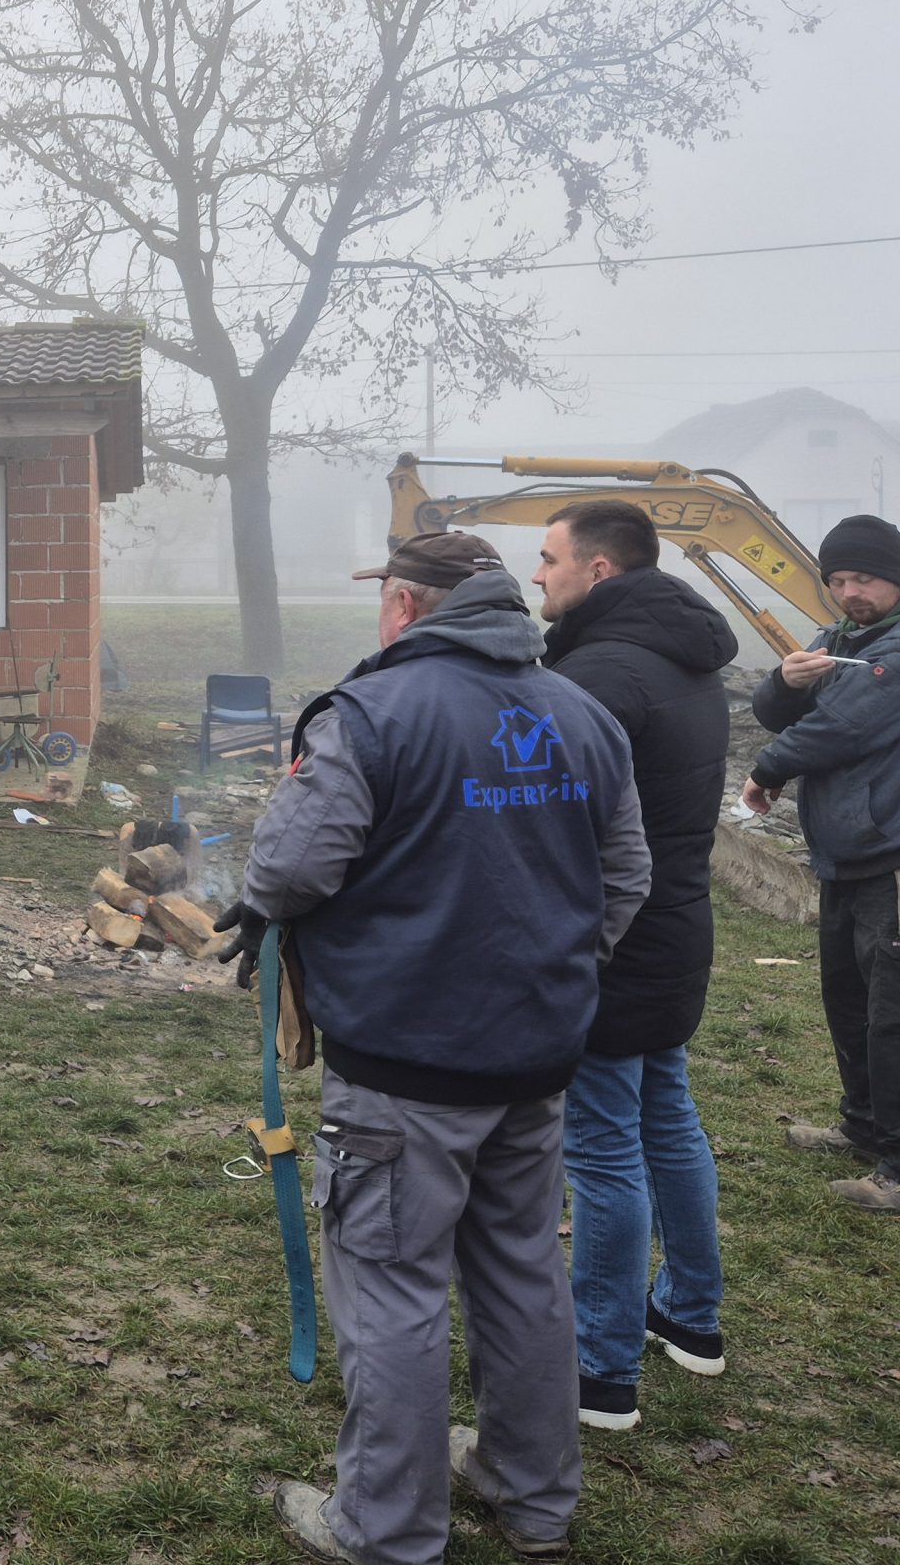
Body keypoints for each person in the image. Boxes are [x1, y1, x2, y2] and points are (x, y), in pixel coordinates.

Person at [245, 531, 651, 1565]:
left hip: (402, 1069)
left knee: (392, 1288)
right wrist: (551, 975)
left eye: (383, 597)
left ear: (406, 606)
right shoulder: (584, 715)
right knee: (522, 1272)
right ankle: (532, 1497)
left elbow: (287, 873)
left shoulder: (371, 713)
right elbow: (626, 878)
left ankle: (386, 1532)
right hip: (535, 1060)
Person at [531, 500, 736, 1432]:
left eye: (549, 559)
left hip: (612, 941)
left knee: (605, 1149)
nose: (539, 576)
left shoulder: (601, 675)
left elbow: (553, 820)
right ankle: (691, 1316)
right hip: (678, 928)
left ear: (598, 570)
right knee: (669, 1119)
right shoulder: (685, 654)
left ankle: (601, 1369)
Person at [742, 514, 900, 1213]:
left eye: (866, 579)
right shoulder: (842, 637)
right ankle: (867, 1126)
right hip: (851, 853)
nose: (851, 593)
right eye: (839, 580)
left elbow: (847, 722)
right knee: (851, 1005)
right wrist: (786, 681)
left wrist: (768, 769)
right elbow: (776, 712)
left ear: (898, 578)